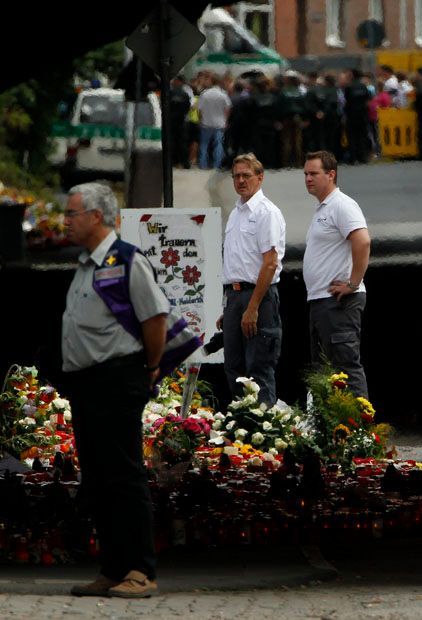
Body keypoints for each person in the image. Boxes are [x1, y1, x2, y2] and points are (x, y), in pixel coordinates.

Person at [61, 183, 200, 598]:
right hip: (88, 384)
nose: (65, 221)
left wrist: (152, 366)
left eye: (72, 214)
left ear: (96, 217)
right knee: (99, 478)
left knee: (123, 476)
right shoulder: (88, 263)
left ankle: (140, 570)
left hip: (116, 380)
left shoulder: (125, 260)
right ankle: (113, 567)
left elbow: (154, 316)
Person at [219, 153, 285, 406]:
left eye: (246, 175)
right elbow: (237, 262)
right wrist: (231, 305)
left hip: (258, 295)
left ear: (260, 178)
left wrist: (253, 306)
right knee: (234, 368)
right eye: (236, 176)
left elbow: (270, 263)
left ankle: (264, 434)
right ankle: (243, 428)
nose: (241, 181)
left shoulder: (266, 213)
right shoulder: (236, 212)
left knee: (258, 367)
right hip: (235, 296)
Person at [303, 150, 371, 397]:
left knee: (345, 367)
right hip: (321, 300)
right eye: (306, 174)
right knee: (324, 370)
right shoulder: (322, 209)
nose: (308, 178)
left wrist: (353, 283)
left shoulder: (341, 205)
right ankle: (333, 430)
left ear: (331, 175)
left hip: (339, 302)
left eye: (314, 173)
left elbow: (362, 241)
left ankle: (359, 430)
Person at [197, 73, 231, 169]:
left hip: (206, 123)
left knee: (204, 145)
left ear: (212, 81)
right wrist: (226, 120)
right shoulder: (223, 94)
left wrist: (200, 120)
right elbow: (228, 108)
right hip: (219, 124)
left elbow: (200, 109)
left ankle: (203, 164)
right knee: (218, 144)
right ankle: (217, 165)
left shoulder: (204, 94)